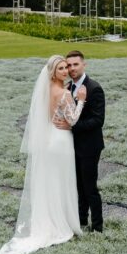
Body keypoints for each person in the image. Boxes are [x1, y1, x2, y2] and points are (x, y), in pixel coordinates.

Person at [0, 55, 87, 254]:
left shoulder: (47, 91)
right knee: (62, 182)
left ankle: (49, 220)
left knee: (51, 182)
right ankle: (61, 223)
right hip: (61, 141)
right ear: (53, 72)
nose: (66, 71)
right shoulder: (64, 93)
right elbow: (73, 119)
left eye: (66, 67)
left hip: (50, 139)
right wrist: (81, 99)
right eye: (61, 68)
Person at [54, 50, 105, 233]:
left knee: (90, 187)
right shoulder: (67, 88)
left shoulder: (94, 88)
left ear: (84, 65)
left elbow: (98, 120)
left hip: (90, 146)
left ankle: (97, 226)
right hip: (72, 146)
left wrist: (72, 127)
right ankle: (81, 220)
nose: (72, 68)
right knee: (78, 186)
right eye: (69, 65)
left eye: (76, 64)